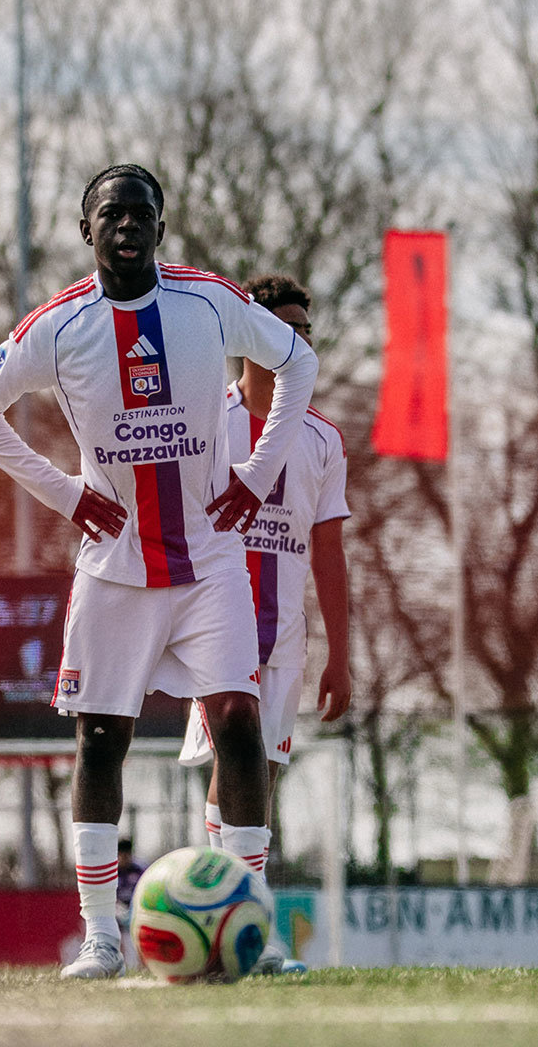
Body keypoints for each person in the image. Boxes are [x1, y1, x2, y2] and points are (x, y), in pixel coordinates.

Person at [0, 163, 319, 979]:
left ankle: (250, 927)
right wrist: (63, 492)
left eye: (141, 213)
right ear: (88, 231)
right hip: (114, 567)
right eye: (111, 214)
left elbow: (298, 364)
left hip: (210, 558)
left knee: (238, 724)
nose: (127, 225)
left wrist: (258, 476)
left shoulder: (209, 302)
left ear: (161, 225)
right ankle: (101, 939)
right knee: (101, 740)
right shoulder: (58, 325)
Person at [168, 274, 351, 974]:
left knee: (262, 770)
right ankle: (246, 921)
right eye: (287, 328)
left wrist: (341, 655)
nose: (299, 341)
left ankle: (234, 916)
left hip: (284, 634)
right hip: (214, 620)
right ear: (252, 337)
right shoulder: (205, 417)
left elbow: (329, 552)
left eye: (306, 331)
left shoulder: (323, 439)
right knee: (234, 751)